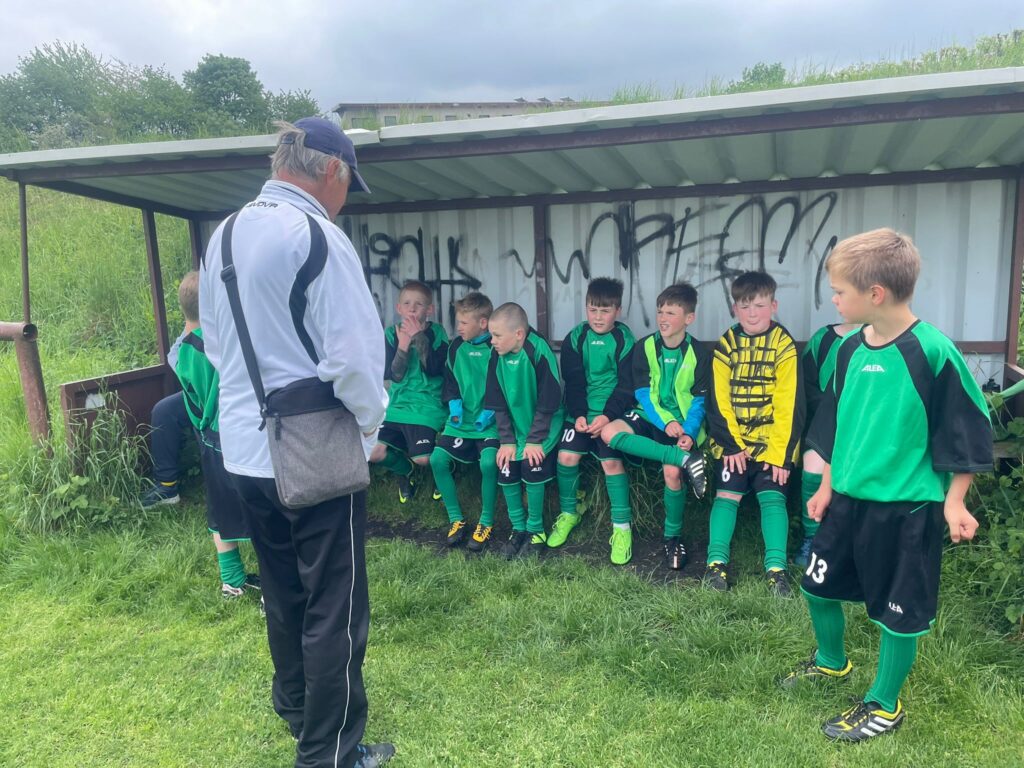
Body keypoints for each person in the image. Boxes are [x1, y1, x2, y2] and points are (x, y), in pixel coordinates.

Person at [199, 117, 394, 768]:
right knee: (335, 609)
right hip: (316, 453)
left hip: (245, 450)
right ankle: (330, 754)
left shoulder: (224, 234)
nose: (344, 202)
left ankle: (296, 708)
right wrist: (367, 430)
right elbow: (355, 360)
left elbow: (217, 345)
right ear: (332, 170)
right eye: (348, 187)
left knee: (283, 594)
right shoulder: (317, 235)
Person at [780, 228, 992, 742]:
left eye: (840, 291)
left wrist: (955, 501)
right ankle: (831, 661)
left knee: (898, 615)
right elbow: (841, 424)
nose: (834, 300)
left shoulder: (932, 351)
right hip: (846, 501)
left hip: (907, 509)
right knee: (816, 586)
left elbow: (966, 428)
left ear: (874, 293)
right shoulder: (849, 349)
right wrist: (827, 485)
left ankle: (884, 704)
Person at [705, 271, 803, 595]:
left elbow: (789, 404)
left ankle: (776, 570)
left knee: (773, 497)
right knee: (727, 494)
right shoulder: (726, 345)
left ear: (773, 306)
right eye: (744, 307)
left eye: (759, 306)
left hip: (773, 443)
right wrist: (732, 446)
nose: (752, 314)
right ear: (735, 309)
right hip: (733, 442)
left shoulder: (784, 345)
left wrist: (780, 456)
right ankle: (715, 565)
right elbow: (719, 401)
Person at [600, 283, 711, 568]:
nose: (663, 318)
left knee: (672, 473)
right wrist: (665, 421)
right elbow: (642, 393)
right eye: (660, 312)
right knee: (609, 432)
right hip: (652, 417)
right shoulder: (645, 346)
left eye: (671, 313)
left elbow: (700, 401)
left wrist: (688, 432)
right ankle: (683, 458)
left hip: (683, 424)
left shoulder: (698, 352)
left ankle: (672, 537)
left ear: (689, 318)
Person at [172, 271, 261, 601]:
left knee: (220, 510)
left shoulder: (183, 351)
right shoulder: (225, 343)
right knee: (263, 510)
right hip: (242, 434)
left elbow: (192, 400)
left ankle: (232, 580)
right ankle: (273, 590)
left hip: (211, 437)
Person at [548, 278, 636, 560]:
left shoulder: (624, 339)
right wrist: (579, 415)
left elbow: (626, 387)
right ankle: (569, 512)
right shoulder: (576, 338)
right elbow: (573, 382)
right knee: (566, 457)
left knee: (611, 462)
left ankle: (622, 527)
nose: (598, 317)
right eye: (593, 309)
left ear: (617, 311)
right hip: (581, 412)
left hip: (612, 414)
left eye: (605, 311)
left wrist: (607, 417)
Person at [484, 302, 565, 558]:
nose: (492, 341)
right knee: (506, 465)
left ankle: (536, 530)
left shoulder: (538, 351)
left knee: (532, 464)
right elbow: (497, 401)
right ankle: (518, 529)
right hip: (515, 428)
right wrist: (507, 441)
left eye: (497, 336)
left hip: (543, 426)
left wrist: (534, 440)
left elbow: (549, 401)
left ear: (518, 334)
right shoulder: (496, 354)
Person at [429, 292, 500, 550]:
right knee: (437, 459)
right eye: (457, 321)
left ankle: (486, 522)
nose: (458, 327)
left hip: (489, 421)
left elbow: (503, 386)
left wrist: (490, 412)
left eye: (463, 322)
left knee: (489, 463)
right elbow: (450, 382)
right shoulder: (456, 347)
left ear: (483, 323)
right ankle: (456, 519)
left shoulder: (496, 347)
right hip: (461, 421)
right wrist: (454, 405)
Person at [369, 280, 449, 504]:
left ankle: (445, 468)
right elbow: (393, 375)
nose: (412, 309)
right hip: (398, 404)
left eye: (419, 304)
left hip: (427, 404)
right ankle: (405, 471)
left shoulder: (437, 332)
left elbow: (433, 369)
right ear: (399, 308)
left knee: (424, 458)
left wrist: (419, 337)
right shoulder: (390, 334)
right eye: (407, 303)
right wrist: (403, 345)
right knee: (374, 452)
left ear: (429, 309)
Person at [794, 321, 858, 567]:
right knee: (813, 465)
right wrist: (826, 411)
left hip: (861, 426)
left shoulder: (878, 339)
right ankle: (812, 537)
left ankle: (850, 539)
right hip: (823, 422)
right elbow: (805, 384)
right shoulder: (823, 338)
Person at [139, 329, 193, 508]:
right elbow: (175, 354)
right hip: (204, 390)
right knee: (165, 411)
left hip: (231, 394)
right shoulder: (202, 324)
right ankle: (167, 486)